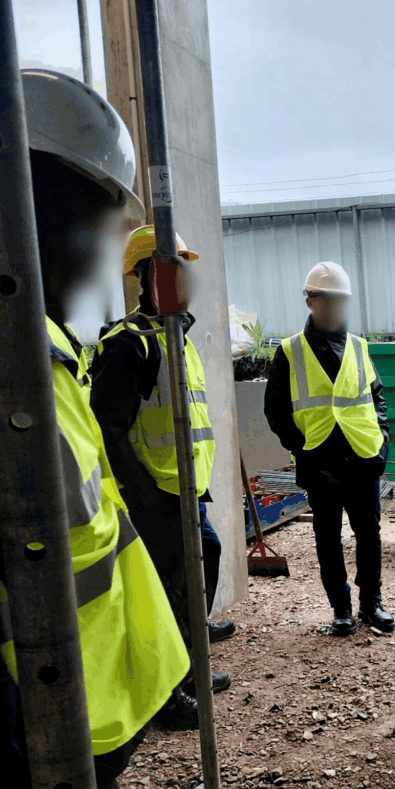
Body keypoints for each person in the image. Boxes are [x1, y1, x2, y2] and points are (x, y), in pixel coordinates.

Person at [0, 68, 191, 789]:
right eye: (100, 222)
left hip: (84, 713)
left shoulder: (47, 347)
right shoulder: (39, 360)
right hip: (41, 720)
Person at [89, 224, 234, 718]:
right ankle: (168, 693)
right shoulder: (128, 344)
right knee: (166, 587)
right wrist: (144, 493)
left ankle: (188, 666)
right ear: (147, 275)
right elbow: (108, 429)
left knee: (201, 562)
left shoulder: (177, 336)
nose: (183, 280)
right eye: (172, 269)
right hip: (157, 492)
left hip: (186, 487)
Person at [264, 262, 395, 636]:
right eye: (330, 299)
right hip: (319, 459)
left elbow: (376, 397)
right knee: (328, 536)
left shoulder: (358, 346)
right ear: (310, 300)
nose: (338, 307)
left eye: (342, 300)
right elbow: (275, 410)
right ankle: (341, 609)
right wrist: (302, 448)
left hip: (363, 457)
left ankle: (372, 604)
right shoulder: (290, 351)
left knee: (368, 535)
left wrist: (381, 441)